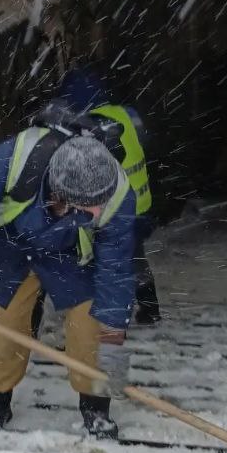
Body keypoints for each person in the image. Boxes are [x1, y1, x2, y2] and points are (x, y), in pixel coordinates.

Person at [0, 128, 136, 440]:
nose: (101, 211)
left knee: (90, 327)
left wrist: (113, 338)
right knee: (8, 326)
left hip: (71, 253)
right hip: (12, 245)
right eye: (91, 206)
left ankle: (96, 409)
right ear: (63, 195)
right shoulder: (14, 161)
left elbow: (116, 268)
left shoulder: (115, 192)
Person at [55, 67, 161, 325]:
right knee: (134, 254)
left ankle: (109, 319)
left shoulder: (91, 127)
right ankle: (149, 307)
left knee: (110, 262)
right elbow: (146, 142)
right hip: (142, 201)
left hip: (116, 205)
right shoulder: (127, 114)